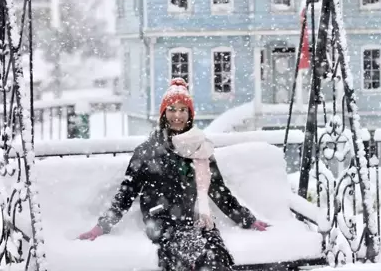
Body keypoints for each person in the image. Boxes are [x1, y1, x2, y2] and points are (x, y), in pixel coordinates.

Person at [77, 78, 269, 271]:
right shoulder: (147, 151)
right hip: (160, 221)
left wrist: (247, 219)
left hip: (193, 219)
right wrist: (102, 226)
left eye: (183, 110)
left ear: (190, 114)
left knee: (216, 255)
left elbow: (219, 191)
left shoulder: (200, 149)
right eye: (172, 109)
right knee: (185, 258)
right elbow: (127, 192)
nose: (177, 115)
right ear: (163, 114)